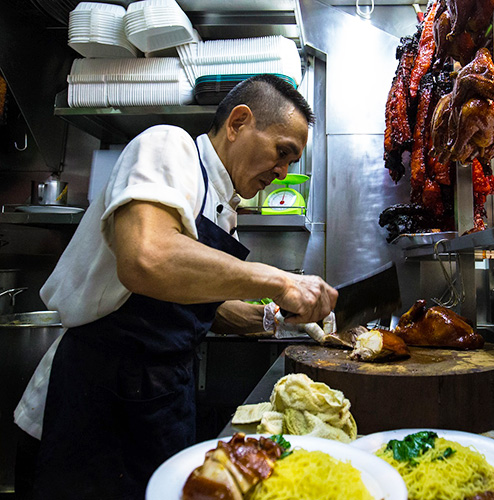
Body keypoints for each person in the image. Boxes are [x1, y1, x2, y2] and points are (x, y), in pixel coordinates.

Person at [13, 74, 338, 499]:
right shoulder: (169, 147)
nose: (283, 171)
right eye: (283, 152)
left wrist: (273, 320)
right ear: (238, 122)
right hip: (96, 401)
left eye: (292, 162)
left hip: (162, 400)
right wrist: (279, 281)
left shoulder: (225, 212)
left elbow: (197, 304)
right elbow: (147, 258)